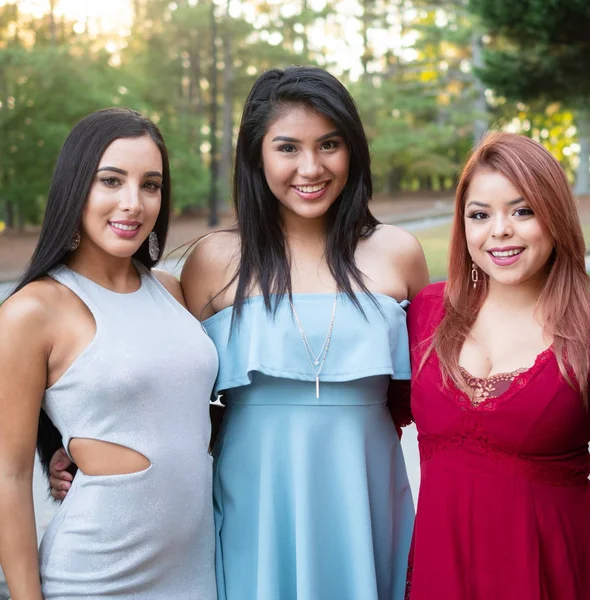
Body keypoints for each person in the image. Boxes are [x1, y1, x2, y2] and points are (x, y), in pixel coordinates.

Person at [181, 65, 428, 600]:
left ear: (352, 151)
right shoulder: (213, 259)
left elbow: (434, 393)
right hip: (257, 489)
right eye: (287, 147)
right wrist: (63, 450)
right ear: (257, 155)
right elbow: (161, 386)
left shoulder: (398, 252)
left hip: (365, 486)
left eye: (329, 144)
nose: (310, 167)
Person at [0, 108, 218, 599]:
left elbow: (180, 415)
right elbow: (8, 477)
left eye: (150, 185)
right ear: (76, 188)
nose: (133, 203)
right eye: (111, 181)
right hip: (96, 577)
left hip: (196, 571)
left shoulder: (170, 290)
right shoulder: (32, 310)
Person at [406, 132, 590, 599]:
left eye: (523, 210)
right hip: (442, 575)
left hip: (557, 574)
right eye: (480, 214)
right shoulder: (425, 313)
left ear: (554, 216)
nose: (500, 231)